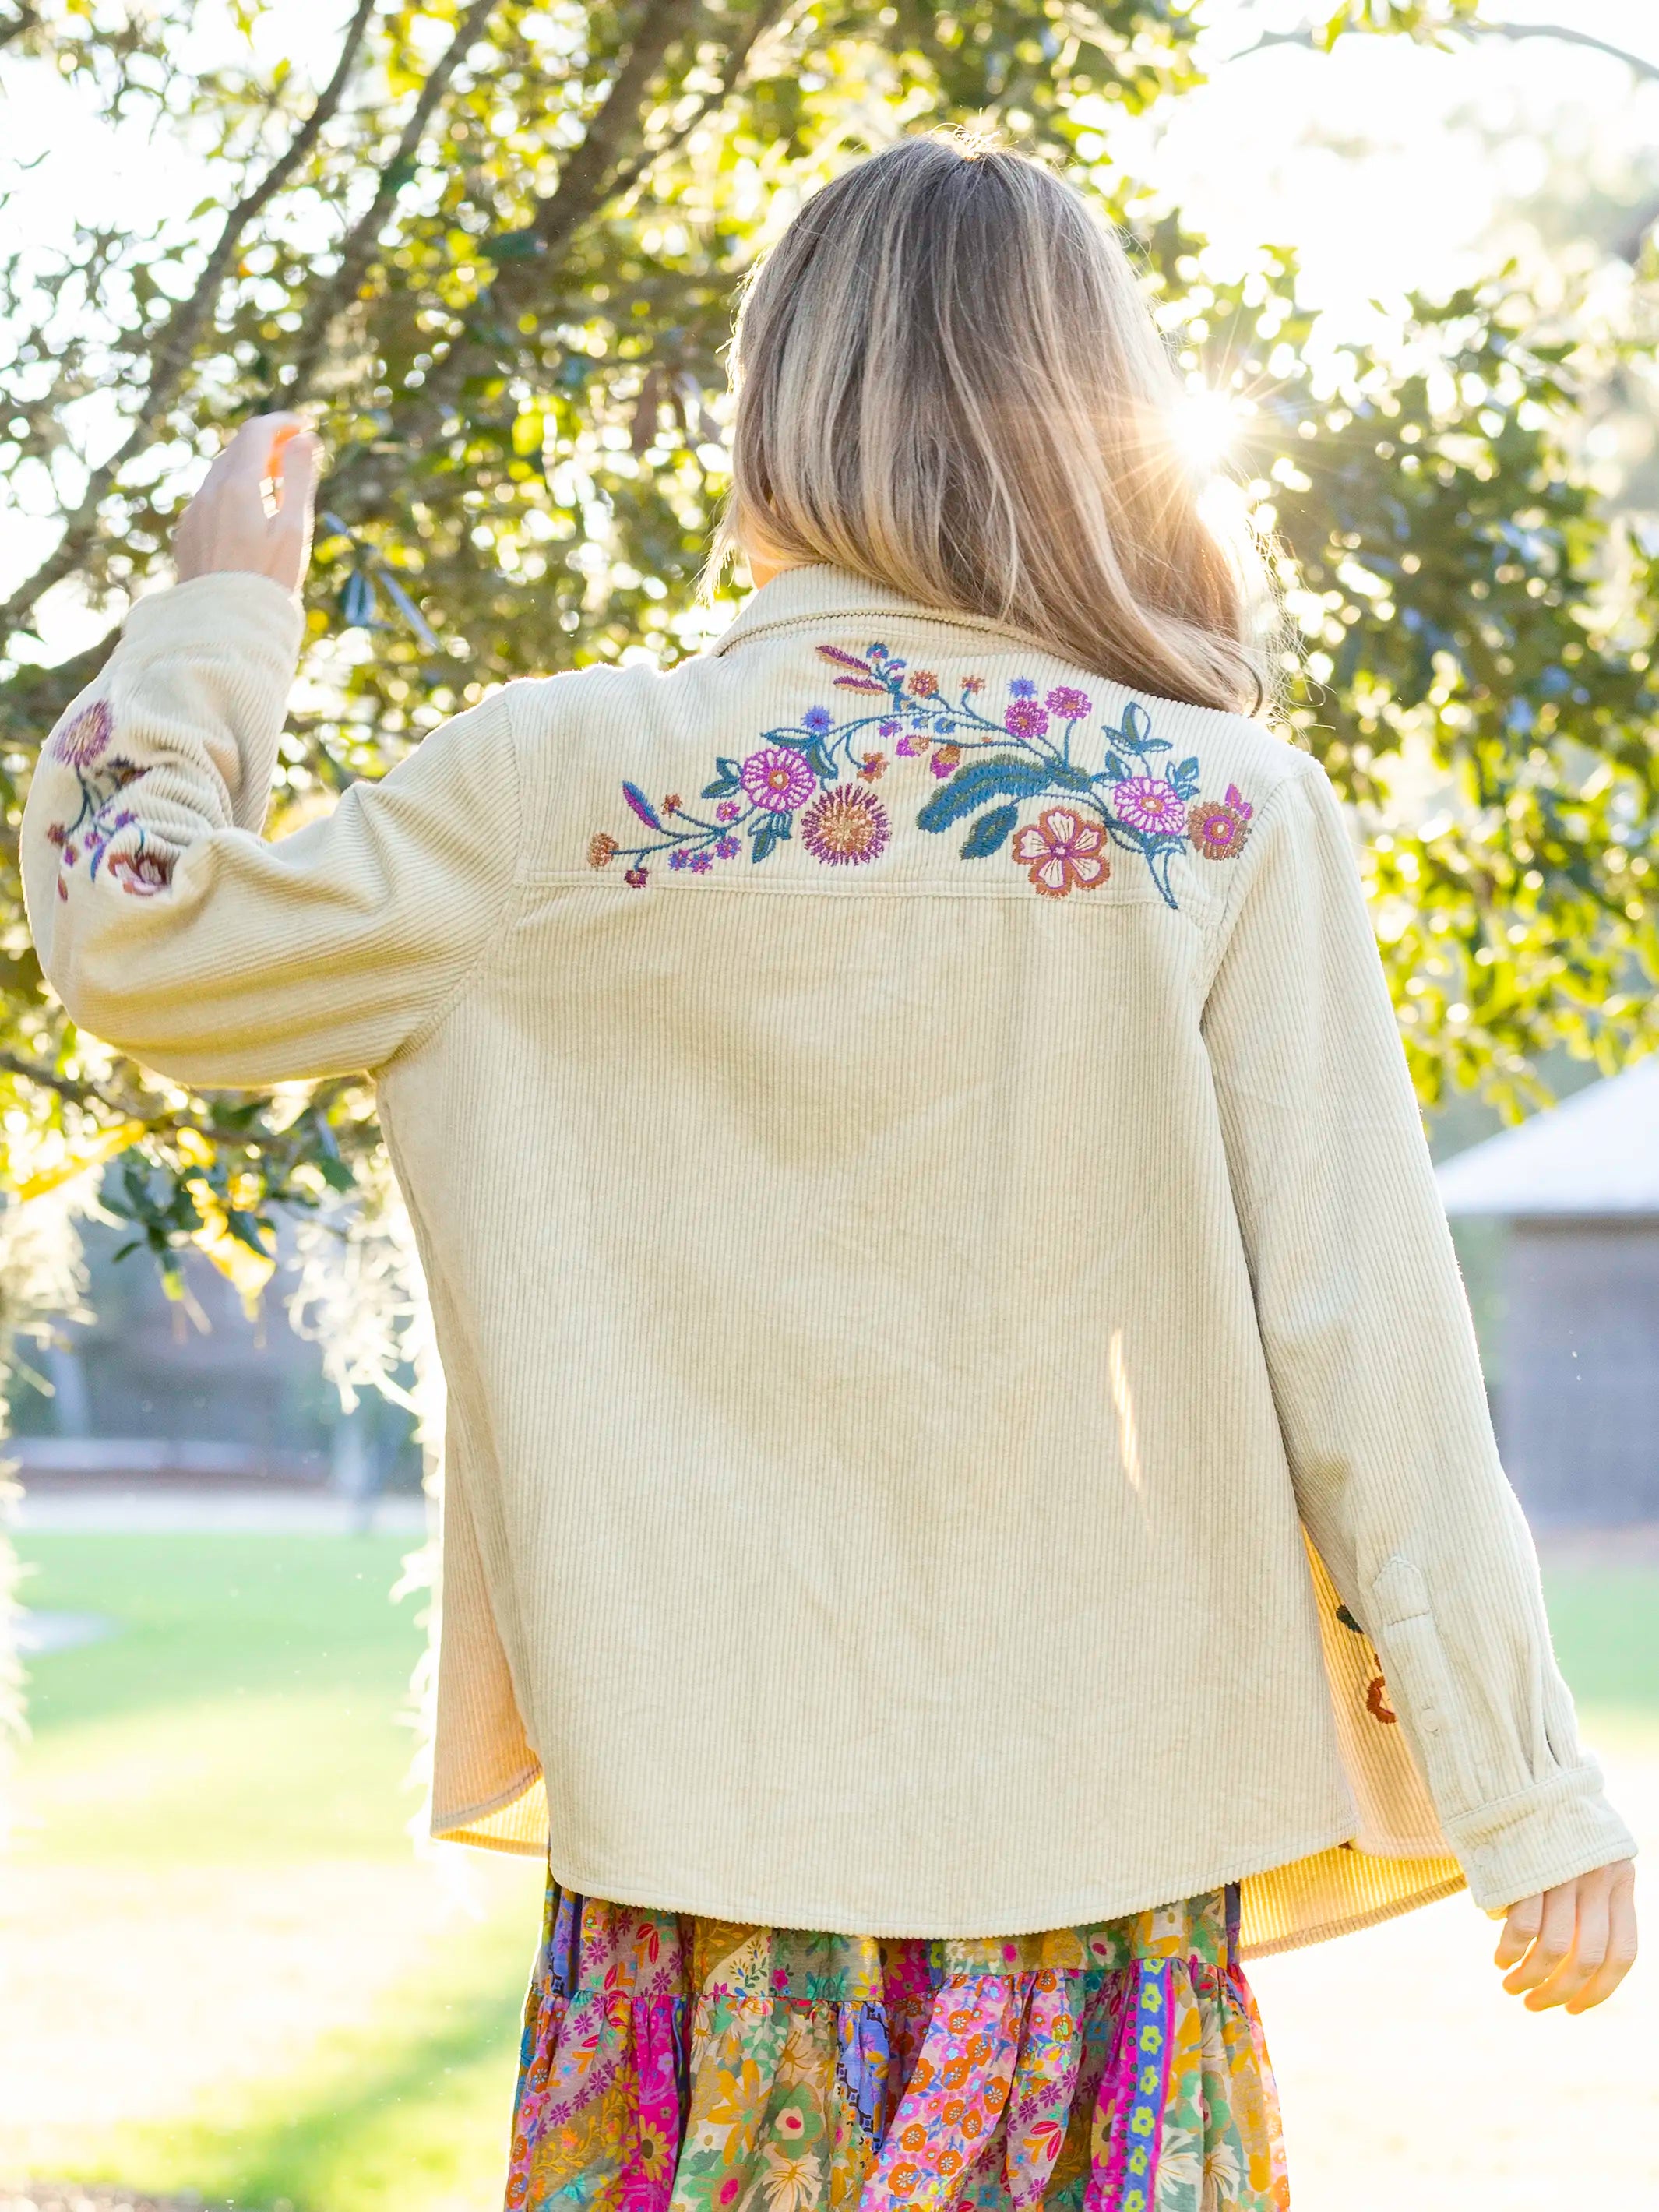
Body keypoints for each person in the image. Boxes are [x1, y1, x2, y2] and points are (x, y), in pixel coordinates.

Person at [23, 132, 1638, 2211]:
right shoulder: (1218, 812)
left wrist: (215, 627)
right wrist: (1525, 1790)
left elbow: (140, 935)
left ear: (775, 399)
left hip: (697, 1889)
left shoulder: (553, 783)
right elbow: (1367, 1340)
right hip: (1099, 1895)